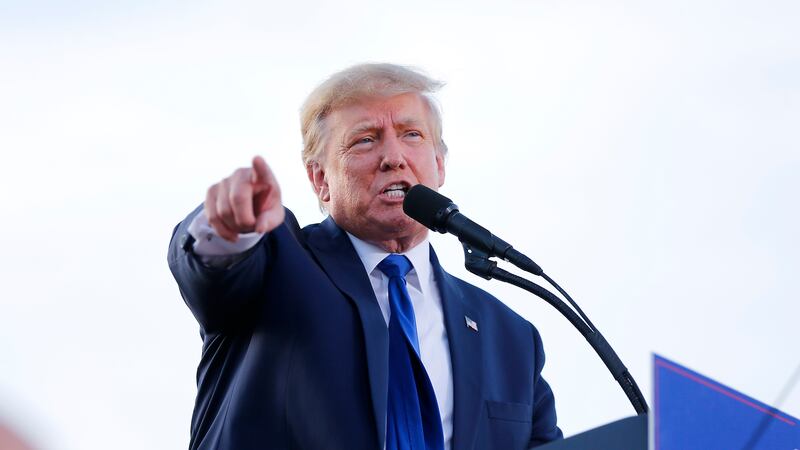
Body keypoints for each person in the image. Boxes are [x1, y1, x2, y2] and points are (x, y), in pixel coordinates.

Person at [168, 63, 562, 450]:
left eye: (411, 134)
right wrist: (229, 228)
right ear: (321, 179)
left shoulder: (512, 339)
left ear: (439, 165)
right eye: (365, 140)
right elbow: (214, 274)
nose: (393, 157)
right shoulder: (276, 261)